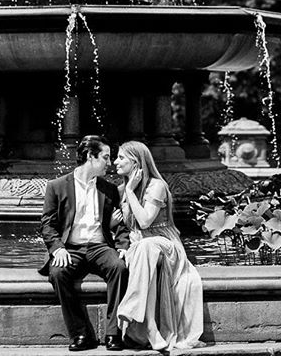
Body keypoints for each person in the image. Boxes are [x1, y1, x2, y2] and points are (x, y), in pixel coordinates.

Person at [40, 135, 129, 351]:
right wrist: (57, 248)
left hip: (100, 247)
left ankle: (113, 333)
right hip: (71, 248)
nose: (110, 163)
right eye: (106, 158)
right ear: (90, 156)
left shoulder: (109, 189)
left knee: (119, 267)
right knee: (58, 274)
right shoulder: (56, 186)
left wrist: (123, 246)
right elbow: (47, 225)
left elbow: (120, 225)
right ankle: (80, 334)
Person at [114, 141, 204, 351]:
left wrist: (129, 190)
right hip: (139, 247)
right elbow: (125, 228)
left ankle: (132, 310)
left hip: (165, 243)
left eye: (121, 157)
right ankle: (151, 329)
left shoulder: (157, 185)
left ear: (136, 162)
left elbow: (145, 221)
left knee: (147, 247)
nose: (115, 162)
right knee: (143, 249)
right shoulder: (119, 190)